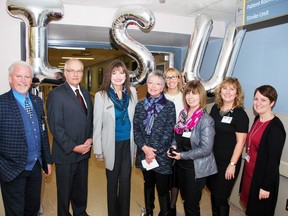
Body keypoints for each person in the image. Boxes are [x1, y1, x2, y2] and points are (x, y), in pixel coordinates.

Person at [0, 61, 52, 216]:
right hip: (11, 169)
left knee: (32, 208)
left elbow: (43, 132)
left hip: (35, 167)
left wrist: (47, 161)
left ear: (31, 80)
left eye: (27, 77)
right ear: (10, 79)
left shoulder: (37, 102)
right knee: (15, 211)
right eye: (18, 76)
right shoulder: (2, 103)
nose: (23, 80)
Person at [46, 58, 93, 216]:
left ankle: (80, 212)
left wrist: (90, 139)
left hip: (84, 153)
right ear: (65, 73)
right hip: (66, 154)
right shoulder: (56, 94)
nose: (75, 74)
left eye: (79, 70)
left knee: (81, 190)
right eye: (71, 70)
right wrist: (73, 146)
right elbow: (55, 127)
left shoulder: (85, 93)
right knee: (64, 193)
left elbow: (89, 120)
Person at [93, 60, 138, 216]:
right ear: (109, 76)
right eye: (114, 73)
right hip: (111, 146)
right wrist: (98, 149)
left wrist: (136, 148)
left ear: (126, 75)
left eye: (121, 72)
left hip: (128, 145)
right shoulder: (102, 96)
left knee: (125, 184)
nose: (118, 76)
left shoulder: (132, 92)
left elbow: (136, 122)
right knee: (112, 185)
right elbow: (97, 125)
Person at [168, 80, 217, 216]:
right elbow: (176, 134)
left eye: (194, 93)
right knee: (185, 200)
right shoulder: (183, 115)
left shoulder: (206, 120)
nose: (190, 96)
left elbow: (206, 149)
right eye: (188, 93)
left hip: (196, 168)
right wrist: (173, 145)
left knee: (192, 205)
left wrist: (182, 155)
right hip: (181, 165)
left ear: (201, 96)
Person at [133, 70, 176, 216]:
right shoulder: (140, 106)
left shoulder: (169, 106)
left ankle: (165, 212)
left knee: (163, 188)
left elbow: (169, 132)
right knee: (149, 184)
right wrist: (145, 149)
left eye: (158, 84)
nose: (153, 86)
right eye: (151, 83)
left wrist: (153, 151)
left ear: (163, 87)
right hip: (144, 153)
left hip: (162, 155)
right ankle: (149, 211)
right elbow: (136, 131)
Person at [240, 85, 286, 216]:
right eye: (256, 99)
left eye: (263, 100)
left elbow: (273, 161)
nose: (258, 103)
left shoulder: (276, 128)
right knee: (250, 209)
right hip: (250, 175)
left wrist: (266, 187)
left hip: (261, 179)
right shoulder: (257, 119)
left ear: (272, 102)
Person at [206, 77, 249, 216]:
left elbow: (240, 142)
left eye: (232, 89)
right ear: (220, 91)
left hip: (228, 162)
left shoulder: (240, 115)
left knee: (221, 197)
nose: (228, 92)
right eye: (224, 88)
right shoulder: (215, 108)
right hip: (212, 159)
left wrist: (232, 164)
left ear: (237, 93)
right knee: (213, 193)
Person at [163, 67, 184, 215]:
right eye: (168, 77)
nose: (171, 80)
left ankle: (172, 206)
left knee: (176, 176)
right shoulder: (160, 96)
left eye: (174, 77)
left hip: (180, 139)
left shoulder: (185, 97)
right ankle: (164, 206)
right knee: (165, 174)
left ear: (179, 79)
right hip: (163, 139)